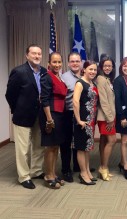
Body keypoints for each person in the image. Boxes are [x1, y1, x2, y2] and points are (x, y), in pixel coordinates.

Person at [5, 44, 46, 189]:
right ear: (27, 55)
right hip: (22, 115)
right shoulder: (19, 71)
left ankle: (36, 171)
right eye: (33, 53)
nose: (36, 56)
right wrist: (16, 109)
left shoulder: (44, 72)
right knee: (23, 149)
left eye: (39, 54)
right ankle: (24, 176)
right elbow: (10, 94)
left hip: (39, 115)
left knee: (39, 146)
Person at [40, 52, 67, 189]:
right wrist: (49, 119)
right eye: (54, 62)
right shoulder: (46, 77)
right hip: (51, 115)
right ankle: (48, 175)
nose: (57, 65)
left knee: (56, 146)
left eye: (59, 62)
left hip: (59, 114)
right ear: (49, 63)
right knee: (50, 147)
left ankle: (53, 173)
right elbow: (44, 99)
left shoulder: (59, 77)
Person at [73, 60, 99, 185]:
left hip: (90, 121)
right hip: (82, 120)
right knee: (81, 148)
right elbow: (75, 102)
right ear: (84, 70)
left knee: (87, 148)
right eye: (90, 69)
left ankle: (87, 171)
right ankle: (83, 173)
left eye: (94, 69)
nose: (93, 71)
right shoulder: (80, 83)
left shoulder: (92, 83)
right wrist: (78, 120)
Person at [59, 52, 82, 183]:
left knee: (78, 141)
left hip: (80, 114)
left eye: (77, 61)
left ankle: (78, 166)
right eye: (72, 61)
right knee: (66, 143)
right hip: (67, 113)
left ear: (81, 62)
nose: (75, 63)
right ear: (68, 63)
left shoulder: (84, 75)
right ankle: (66, 170)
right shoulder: (64, 77)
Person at [113, 57, 127, 180]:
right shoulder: (118, 81)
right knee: (125, 140)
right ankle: (125, 166)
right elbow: (117, 100)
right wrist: (121, 116)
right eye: (125, 66)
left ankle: (122, 162)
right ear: (121, 67)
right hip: (124, 115)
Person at [96, 56, 117, 181]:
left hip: (109, 115)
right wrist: (110, 118)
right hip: (105, 117)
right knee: (112, 140)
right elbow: (103, 101)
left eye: (110, 66)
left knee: (104, 140)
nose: (108, 68)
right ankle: (103, 167)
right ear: (101, 67)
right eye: (105, 66)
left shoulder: (107, 79)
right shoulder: (100, 79)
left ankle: (103, 167)